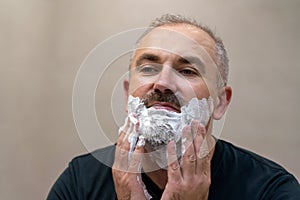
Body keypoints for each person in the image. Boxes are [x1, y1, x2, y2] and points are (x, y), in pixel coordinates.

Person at [47, 14, 300, 200]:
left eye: (187, 70)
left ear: (220, 102)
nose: (163, 83)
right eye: (148, 68)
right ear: (127, 96)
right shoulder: (79, 184)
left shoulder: (271, 190)